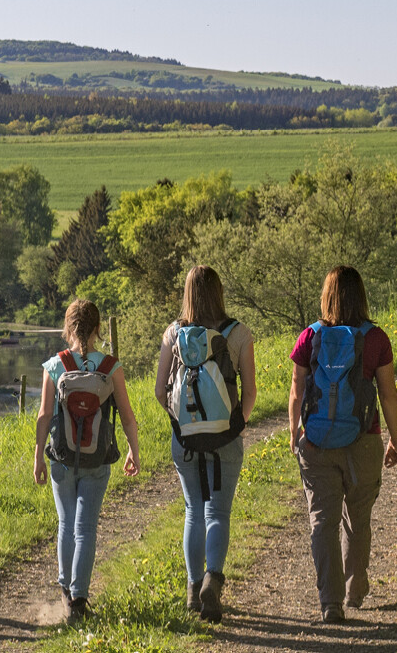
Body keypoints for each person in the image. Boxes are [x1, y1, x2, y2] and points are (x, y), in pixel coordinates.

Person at [287, 265, 397, 624]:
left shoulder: (310, 336)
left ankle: (331, 602)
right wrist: (395, 440)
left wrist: (294, 433)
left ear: (327, 296)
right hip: (363, 440)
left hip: (316, 443)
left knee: (323, 521)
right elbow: (388, 394)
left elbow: (297, 391)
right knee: (358, 518)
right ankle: (354, 590)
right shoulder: (376, 338)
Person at [155, 265, 256, 622]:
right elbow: (250, 391)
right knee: (219, 512)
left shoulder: (173, 333)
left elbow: (160, 391)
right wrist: (236, 426)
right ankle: (213, 579)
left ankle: (192, 590)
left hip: (185, 439)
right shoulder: (238, 333)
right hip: (226, 436)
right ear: (219, 292)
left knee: (194, 510)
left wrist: (182, 424)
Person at [33, 299, 142, 624]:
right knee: (85, 529)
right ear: (97, 329)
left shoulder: (55, 365)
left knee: (66, 524)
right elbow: (126, 415)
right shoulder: (110, 367)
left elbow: (43, 415)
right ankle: (79, 600)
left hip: (62, 459)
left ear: (67, 329)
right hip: (97, 459)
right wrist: (134, 450)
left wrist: (38, 456)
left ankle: (65, 592)